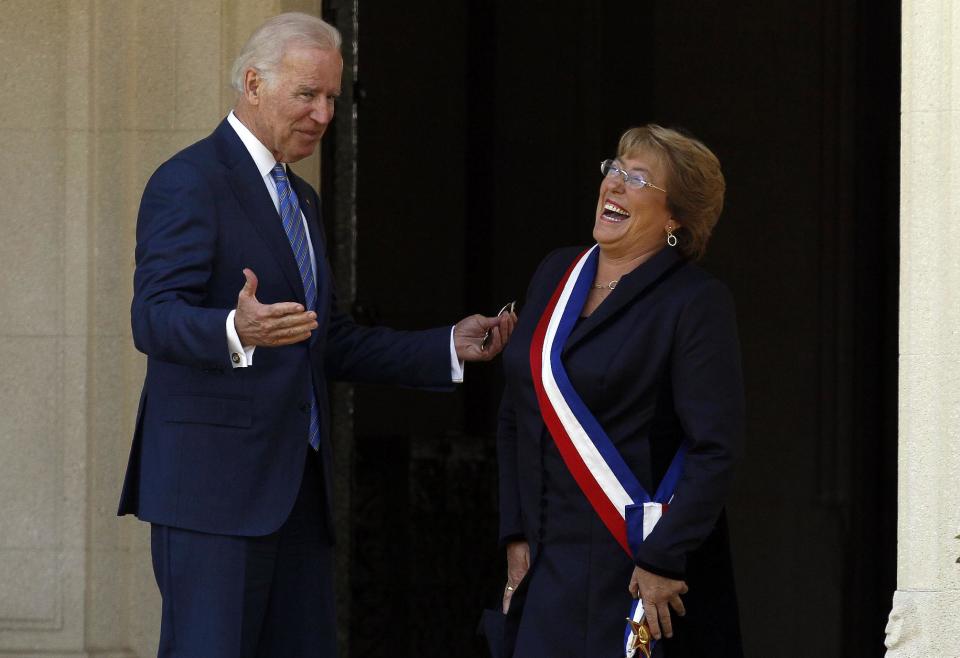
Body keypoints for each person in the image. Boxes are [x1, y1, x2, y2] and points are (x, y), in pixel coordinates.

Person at [117, 12, 515, 658]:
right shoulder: (189, 181)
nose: (325, 114)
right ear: (252, 83)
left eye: (332, 97)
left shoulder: (301, 201)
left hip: (299, 494)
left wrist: (445, 345)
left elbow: (325, 339)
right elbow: (152, 316)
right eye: (308, 95)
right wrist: (233, 328)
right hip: (215, 495)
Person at [494, 125, 743, 658]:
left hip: (634, 572)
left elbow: (714, 448)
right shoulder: (556, 273)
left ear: (675, 216)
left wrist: (662, 559)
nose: (614, 185)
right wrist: (514, 533)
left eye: (638, 179)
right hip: (545, 564)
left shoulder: (695, 302)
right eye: (614, 169)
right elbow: (519, 407)